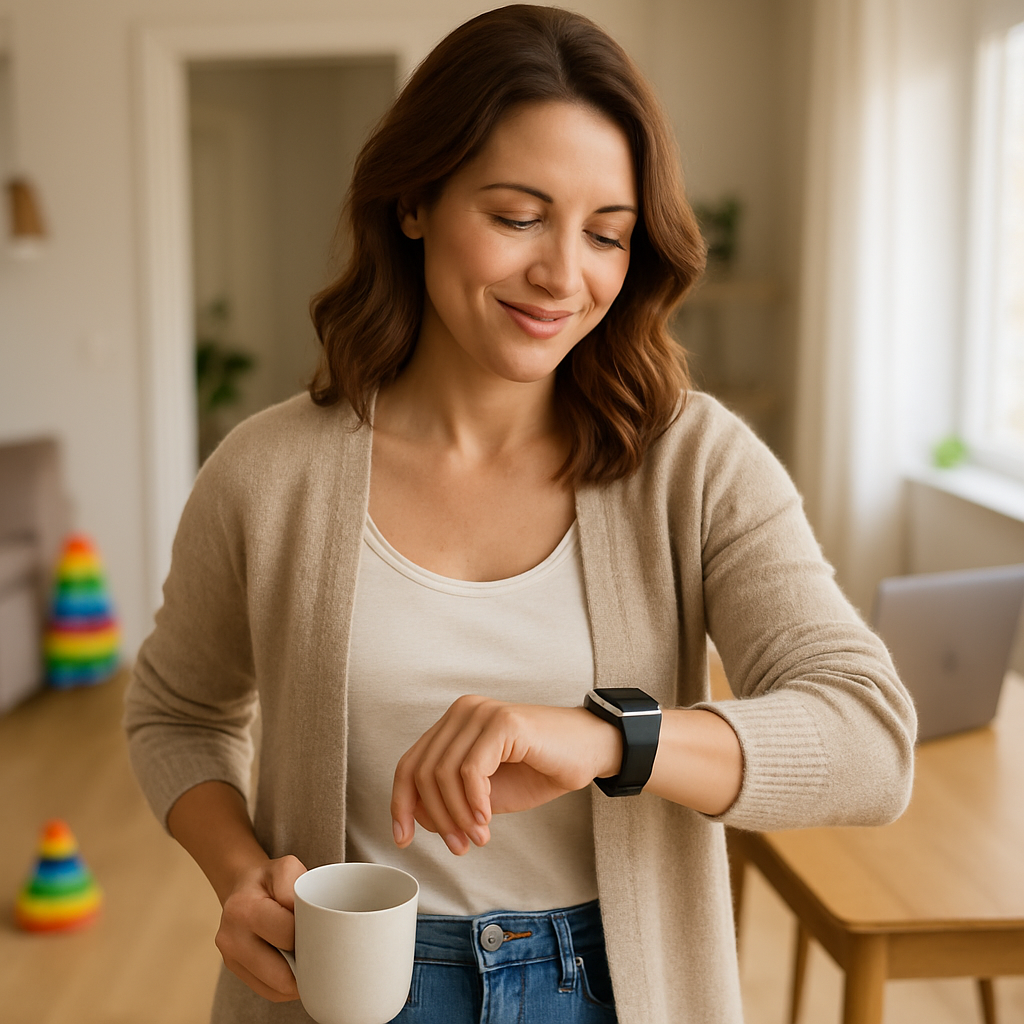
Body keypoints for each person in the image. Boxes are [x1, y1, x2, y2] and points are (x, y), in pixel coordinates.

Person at [124, 6, 916, 1023]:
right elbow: (178, 714)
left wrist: (604, 738)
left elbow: (868, 740)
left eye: (606, 235)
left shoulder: (694, 461)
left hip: (614, 986)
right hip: (347, 979)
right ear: (414, 200)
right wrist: (238, 873)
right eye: (515, 215)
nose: (562, 274)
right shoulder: (266, 473)